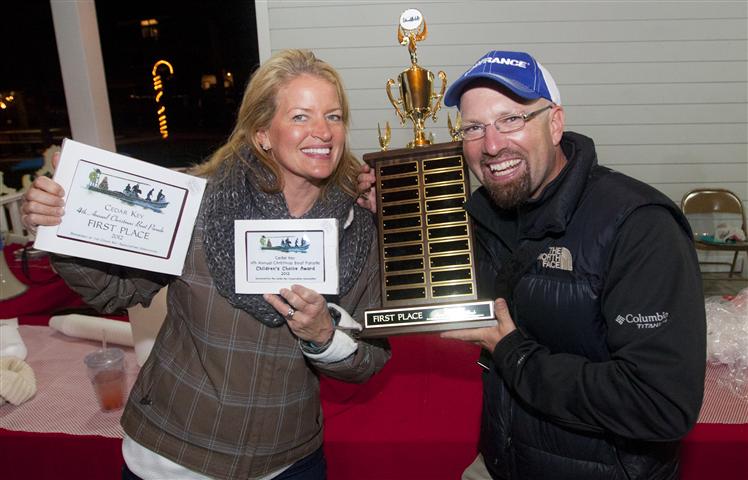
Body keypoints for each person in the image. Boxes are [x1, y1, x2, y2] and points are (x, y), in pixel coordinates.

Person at [22, 49, 390, 480]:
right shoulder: (197, 207)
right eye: (300, 117)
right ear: (262, 133)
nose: (322, 132)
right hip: (173, 459)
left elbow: (368, 359)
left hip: (288, 461)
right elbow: (114, 291)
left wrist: (323, 336)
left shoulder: (356, 228)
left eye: (334, 116)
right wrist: (61, 228)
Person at [361, 50, 706, 480]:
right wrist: (401, 214)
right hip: (501, 462)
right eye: (474, 127)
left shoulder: (639, 225)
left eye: (511, 119)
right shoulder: (489, 216)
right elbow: (453, 297)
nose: (491, 144)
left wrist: (513, 354)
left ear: (555, 122)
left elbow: (659, 405)